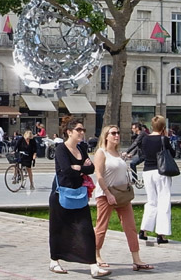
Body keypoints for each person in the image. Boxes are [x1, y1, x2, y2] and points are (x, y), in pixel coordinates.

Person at [48, 118, 109, 278]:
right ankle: (54, 261)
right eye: (79, 130)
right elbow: (66, 171)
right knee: (58, 229)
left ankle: (93, 266)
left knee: (86, 229)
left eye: (83, 130)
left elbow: (91, 168)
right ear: (69, 132)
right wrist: (81, 168)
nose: (82, 132)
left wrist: (80, 168)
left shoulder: (81, 148)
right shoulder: (61, 148)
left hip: (79, 193)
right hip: (61, 195)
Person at [93, 125, 153, 271]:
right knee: (102, 227)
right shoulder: (101, 153)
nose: (116, 135)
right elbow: (99, 175)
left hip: (122, 195)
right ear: (106, 136)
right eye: (113, 133)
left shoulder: (118, 153)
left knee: (130, 227)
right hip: (106, 195)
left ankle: (136, 259)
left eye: (118, 133)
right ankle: (96, 255)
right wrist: (108, 193)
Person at [139, 115, 175, 245]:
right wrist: (166, 138)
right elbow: (173, 153)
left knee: (151, 201)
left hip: (147, 171)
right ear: (163, 127)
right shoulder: (163, 139)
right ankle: (161, 234)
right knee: (164, 201)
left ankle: (144, 230)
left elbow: (143, 154)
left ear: (151, 126)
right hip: (161, 171)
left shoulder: (145, 139)